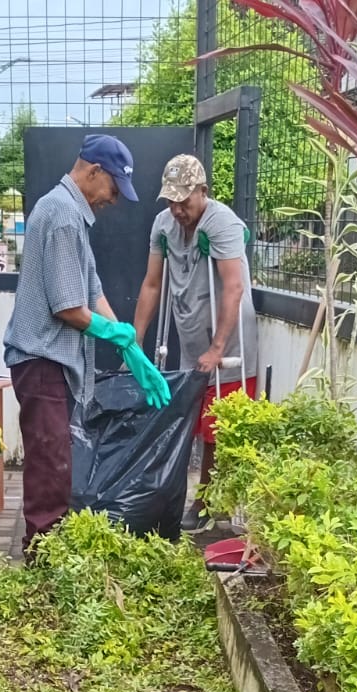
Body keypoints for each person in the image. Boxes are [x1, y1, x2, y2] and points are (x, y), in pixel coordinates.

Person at [4, 134, 169, 559]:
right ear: (94, 171)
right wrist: (114, 335)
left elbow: (92, 291)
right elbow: (67, 308)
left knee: (56, 465)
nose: (114, 199)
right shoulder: (61, 214)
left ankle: (48, 555)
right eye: (114, 187)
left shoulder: (72, 215)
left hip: (50, 364)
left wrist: (130, 344)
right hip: (42, 361)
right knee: (49, 470)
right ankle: (42, 562)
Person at [133, 154, 259, 529]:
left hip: (229, 345)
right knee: (187, 421)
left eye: (183, 200)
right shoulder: (163, 225)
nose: (177, 209)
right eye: (170, 200)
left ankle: (207, 503)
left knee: (218, 429)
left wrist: (217, 349)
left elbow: (233, 288)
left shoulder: (223, 224)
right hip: (190, 339)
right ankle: (176, 496)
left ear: (203, 191)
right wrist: (134, 341)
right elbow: (152, 284)